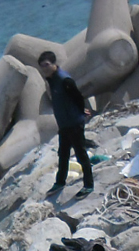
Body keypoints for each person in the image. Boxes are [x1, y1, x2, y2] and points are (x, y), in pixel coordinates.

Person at [37, 50, 94, 199]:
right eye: (42, 66)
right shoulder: (51, 80)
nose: (44, 69)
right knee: (63, 154)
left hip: (74, 123)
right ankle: (60, 182)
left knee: (81, 154)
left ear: (54, 64)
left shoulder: (64, 80)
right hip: (64, 125)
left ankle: (89, 185)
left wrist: (82, 111)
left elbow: (78, 96)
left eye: (47, 65)